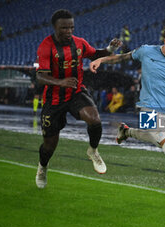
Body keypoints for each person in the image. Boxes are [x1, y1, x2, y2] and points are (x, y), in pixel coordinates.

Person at [90, 21, 165, 202]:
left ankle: (126, 132)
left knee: (156, 139)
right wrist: (101, 59)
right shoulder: (146, 51)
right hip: (147, 107)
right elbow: (122, 58)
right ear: (164, 40)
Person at [35, 9, 122, 189]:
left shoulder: (80, 43)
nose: (68, 31)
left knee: (95, 120)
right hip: (54, 100)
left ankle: (93, 150)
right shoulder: (46, 46)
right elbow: (40, 76)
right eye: (64, 28)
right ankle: (43, 167)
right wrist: (61, 82)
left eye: (71, 27)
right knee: (49, 146)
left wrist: (110, 49)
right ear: (55, 28)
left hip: (76, 92)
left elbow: (97, 54)